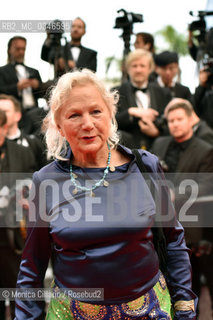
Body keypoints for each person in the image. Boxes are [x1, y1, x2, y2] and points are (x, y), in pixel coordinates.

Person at [15, 69, 197, 319]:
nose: (87, 124)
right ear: (59, 125)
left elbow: (174, 240)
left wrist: (185, 306)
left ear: (111, 114)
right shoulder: (46, 181)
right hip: (71, 314)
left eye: (96, 111)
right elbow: (32, 267)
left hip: (150, 311)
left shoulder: (145, 166)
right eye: (74, 115)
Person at [151, 98, 213, 309]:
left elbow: (206, 184)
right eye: (171, 120)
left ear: (190, 120)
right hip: (159, 227)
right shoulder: (159, 144)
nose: (175, 124)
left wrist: (174, 193)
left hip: (191, 227)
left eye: (179, 119)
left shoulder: (205, 149)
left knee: (190, 286)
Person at [0, 109, 37, 319]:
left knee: (20, 296)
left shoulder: (22, 153)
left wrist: (28, 197)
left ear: (5, 128)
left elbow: (33, 184)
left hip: (15, 237)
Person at [114, 49, 171, 150]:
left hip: (157, 152)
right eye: (134, 66)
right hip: (127, 151)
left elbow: (170, 123)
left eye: (142, 66)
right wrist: (131, 112)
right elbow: (110, 123)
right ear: (128, 69)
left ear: (150, 69)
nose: (138, 70)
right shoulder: (116, 92)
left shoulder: (163, 93)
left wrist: (156, 132)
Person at [0, 36, 44, 132]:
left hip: (35, 113)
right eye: (17, 49)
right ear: (9, 50)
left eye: (23, 49)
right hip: (15, 115)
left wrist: (37, 86)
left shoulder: (34, 71)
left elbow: (44, 94)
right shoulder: (2, 71)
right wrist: (17, 87)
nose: (21, 52)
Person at [0, 94, 48, 170]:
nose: (1, 115)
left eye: (4, 111)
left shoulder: (34, 143)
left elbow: (45, 170)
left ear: (17, 116)